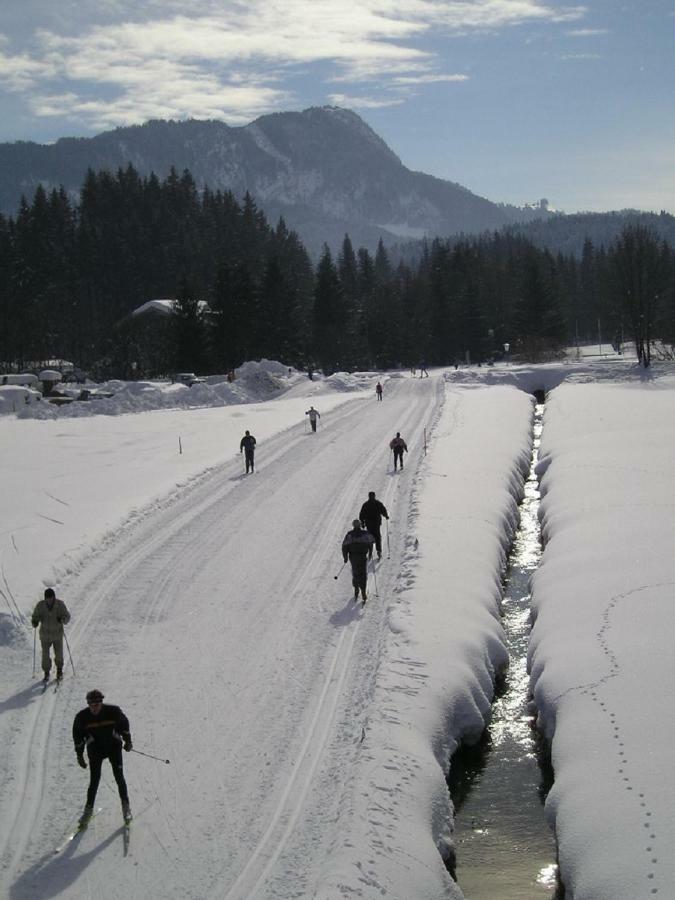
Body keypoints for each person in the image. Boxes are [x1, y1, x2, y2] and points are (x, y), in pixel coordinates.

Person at [73, 689, 133, 824]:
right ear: (88, 704)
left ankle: (126, 808)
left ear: (101, 702)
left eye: (97, 704)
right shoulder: (82, 717)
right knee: (94, 780)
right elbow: (77, 737)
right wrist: (79, 755)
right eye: (91, 705)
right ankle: (87, 812)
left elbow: (124, 725)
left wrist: (128, 741)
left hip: (113, 747)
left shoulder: (113, 712)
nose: (94, 708)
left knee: (119, 777)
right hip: (95, 750)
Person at [31, 588, 70, 682]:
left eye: (50, 598)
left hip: (57, 634)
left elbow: (67, 617)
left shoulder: (60, 604)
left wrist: (62, 619)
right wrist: (34, 622)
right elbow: (34, 616)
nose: (49, 600)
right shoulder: (40, 605)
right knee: (45, 655)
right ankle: (46, 672)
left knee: (59, 654)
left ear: (54, 597)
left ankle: (59, 670)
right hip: (45, 635)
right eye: (47, 598)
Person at [342, 519, 374, 603]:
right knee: (363, 573)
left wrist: (345, 557)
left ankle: (356, 589)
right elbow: (371, 541)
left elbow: (344, 546)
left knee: (355, 572)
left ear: (353, 525)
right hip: (362, 556)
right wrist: (370, 552)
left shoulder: (350, 535)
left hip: (353, 557)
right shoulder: (365, 534)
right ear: (360, 525)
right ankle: (363, 591)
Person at [359, 491, 389, 560]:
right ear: (374, 496)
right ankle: (379, 551)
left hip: (369, 524)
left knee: (369, 538)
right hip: (376, 524)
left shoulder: (365, 504)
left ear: (369, 496)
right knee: (378, 537)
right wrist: (386, 516)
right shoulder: (378, 503)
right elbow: (383, 510)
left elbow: (361, 515)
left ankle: (370, 552)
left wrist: (363, 523)